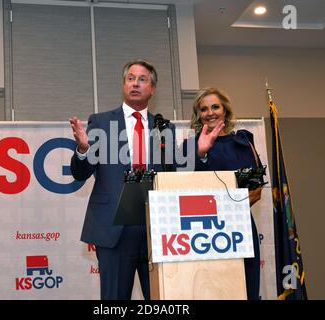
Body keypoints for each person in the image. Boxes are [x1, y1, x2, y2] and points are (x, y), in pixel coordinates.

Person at [69, 59, 175, 300]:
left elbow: (173, 176)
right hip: (114, 227)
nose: (135, 83)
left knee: (163, 299)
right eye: (130, 78)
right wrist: (84, 149)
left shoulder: (164, 128)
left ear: (152, 89)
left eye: (142, 79)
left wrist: (198, 154)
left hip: (156, 229)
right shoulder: (102, 121)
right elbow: (80, 173)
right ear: (124, 84)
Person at [189, 87, 263, 300]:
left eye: (215, 106)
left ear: (225, 111)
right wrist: (201, 153)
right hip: (205, 234)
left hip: (241, 229)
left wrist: (226, 208)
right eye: (204, 109)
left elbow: (256, 192)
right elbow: (184, 192)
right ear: (198, 115)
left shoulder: (243, 142)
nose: (210, 112)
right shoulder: (190, 148)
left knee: (246, 290)